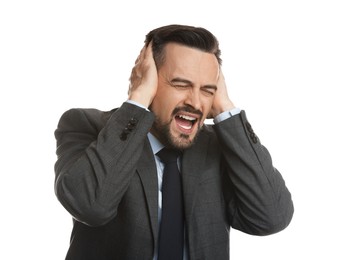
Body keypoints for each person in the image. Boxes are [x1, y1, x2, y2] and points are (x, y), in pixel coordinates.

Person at [54, 24, 294, 260]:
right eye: (181, 84)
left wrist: (225, 108)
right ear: (148, 80)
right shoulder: (88, 126)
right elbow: (91, 206)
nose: (196, 103)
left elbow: (271, 217)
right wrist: (138, 98)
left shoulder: (219, 147)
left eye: (208, 90)